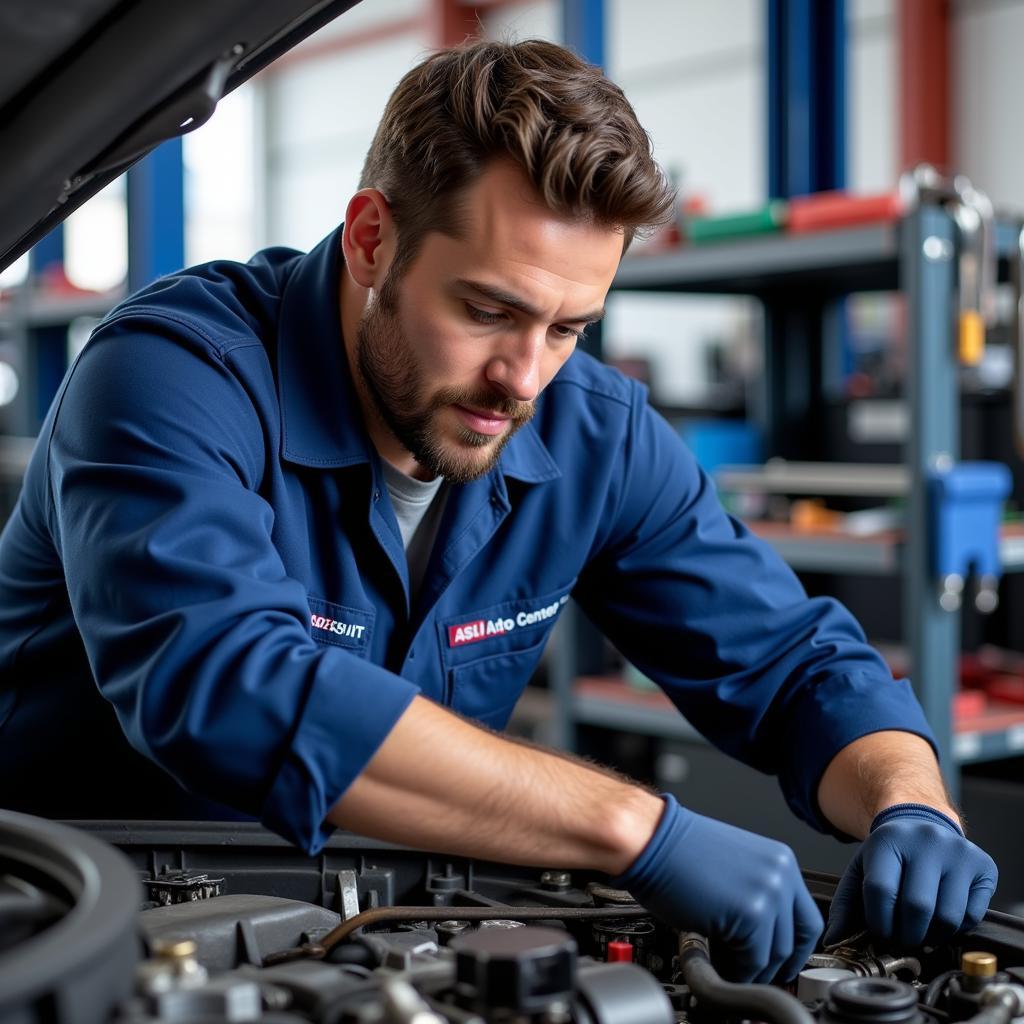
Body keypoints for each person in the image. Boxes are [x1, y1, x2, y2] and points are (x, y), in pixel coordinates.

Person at [0, 39, 996, 983]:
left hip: (374, 937)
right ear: (371, 239)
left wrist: (910, 804)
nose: (521, 379)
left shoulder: (589, 430)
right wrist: (634, 827)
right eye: (485, 310)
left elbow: (791, 664)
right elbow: (229, 685)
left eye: (568, 326)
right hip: (74, 929)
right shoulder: (170, 375)